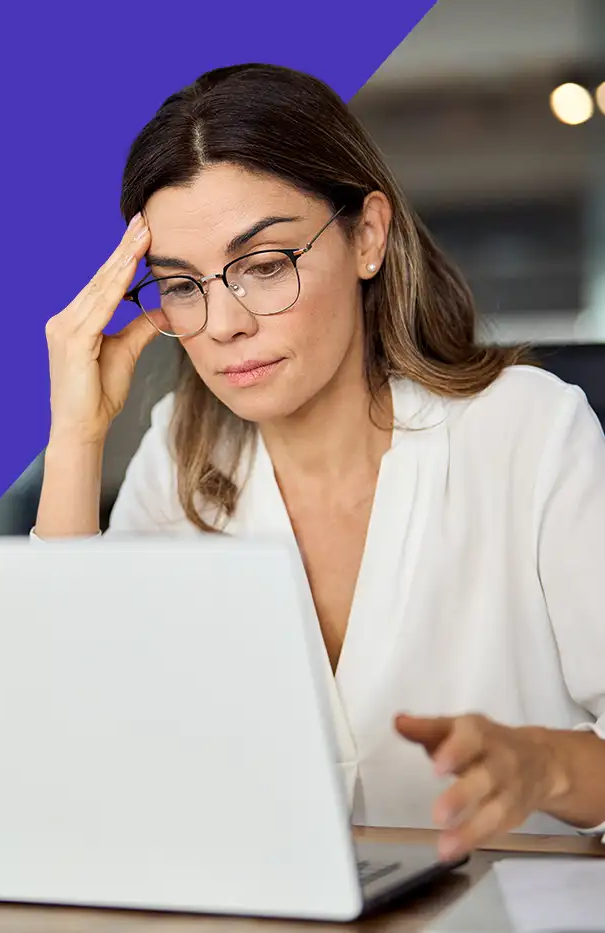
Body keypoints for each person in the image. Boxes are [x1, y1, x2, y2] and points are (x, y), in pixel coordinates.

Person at [33, 63, 605, 861]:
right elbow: (76, 741)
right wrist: (75, 437)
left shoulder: (528, 431)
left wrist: (541, 765)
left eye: (263, 265)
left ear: (366, 235)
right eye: (182, 285)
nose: (222, 324)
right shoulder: (178, 454)